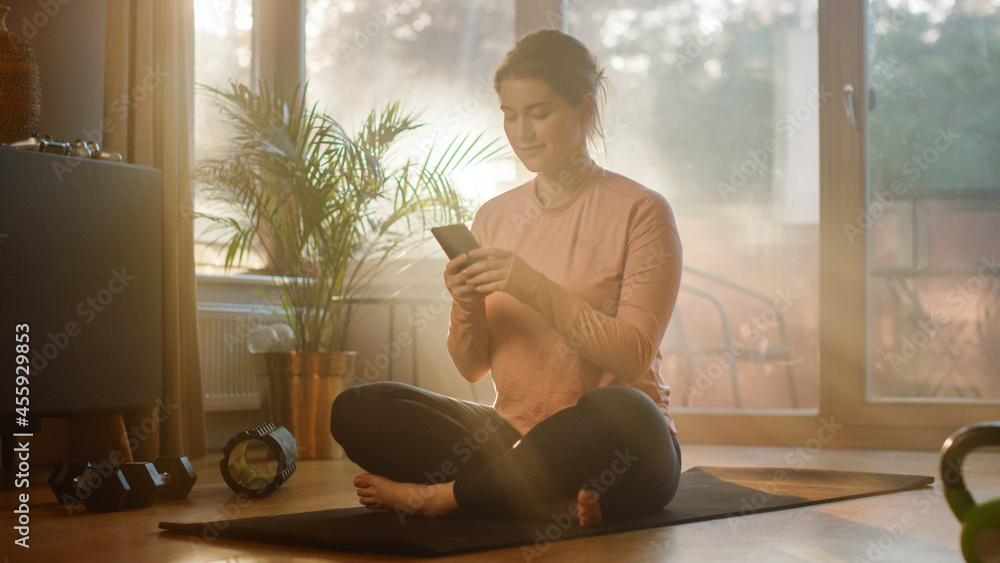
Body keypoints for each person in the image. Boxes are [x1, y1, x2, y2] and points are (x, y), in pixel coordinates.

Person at [330, 28, 683, 527]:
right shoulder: (495, 216)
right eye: (510, 115)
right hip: (510, 437)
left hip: (618, 444)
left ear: (584, 110)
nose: (523, 132)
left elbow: (630, 355)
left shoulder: (642, 211)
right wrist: (466, 303)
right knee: (358, 408)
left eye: (540, 113)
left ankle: (444, 498)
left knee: (623, 410)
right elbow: (472, 368)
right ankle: (540, 497)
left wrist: (530, 284)